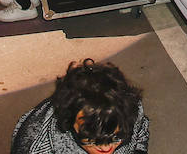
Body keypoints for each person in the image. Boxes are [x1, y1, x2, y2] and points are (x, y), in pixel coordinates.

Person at [12, 59, 149, 154]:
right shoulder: (37, 147)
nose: (106, 148)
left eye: (116, 136)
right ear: (68, 120)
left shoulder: (131, 109)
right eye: (91, 139)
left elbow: (141, 133)